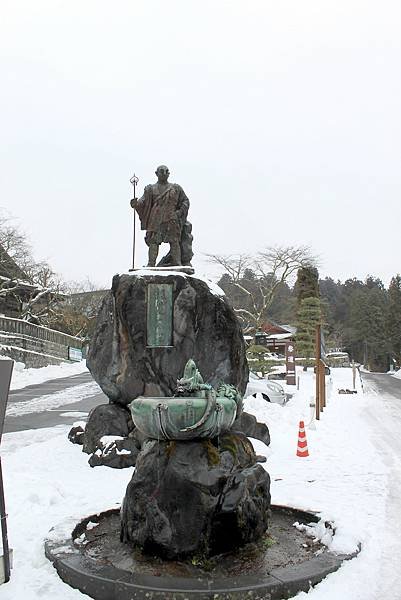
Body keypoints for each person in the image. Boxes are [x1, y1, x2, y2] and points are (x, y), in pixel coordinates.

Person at [131, 165, 193, 267]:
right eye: (161, 171)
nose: (164, 173)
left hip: (171, 218)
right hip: (155, 219)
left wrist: (179, 212)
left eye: (166, 171)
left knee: (174, 241)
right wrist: (136, 204)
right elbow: (142, 202)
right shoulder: (150, 189)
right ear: (156, 173)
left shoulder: (176, 188)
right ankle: (151, 264)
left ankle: (176, 263)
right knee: (153, 242)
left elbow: (185, 201)